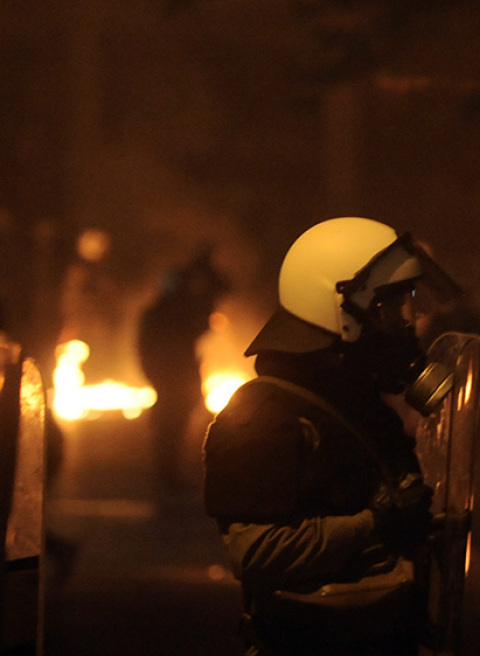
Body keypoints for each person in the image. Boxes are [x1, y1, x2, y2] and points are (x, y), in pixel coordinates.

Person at [203, 217, 462, 656]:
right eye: (389, 308)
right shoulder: (264, 415)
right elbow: (255, 552)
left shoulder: (361, 406)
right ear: (340, 311)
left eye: (407, 307)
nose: (406, 324)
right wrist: (373, 525)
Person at [137, 247, 228, 493]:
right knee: (170, 422)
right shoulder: (166, 313)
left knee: (174, 420)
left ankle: (168, 471)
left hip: (174, 372)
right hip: (171, 374)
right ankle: (167, 473)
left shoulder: (163, 312)